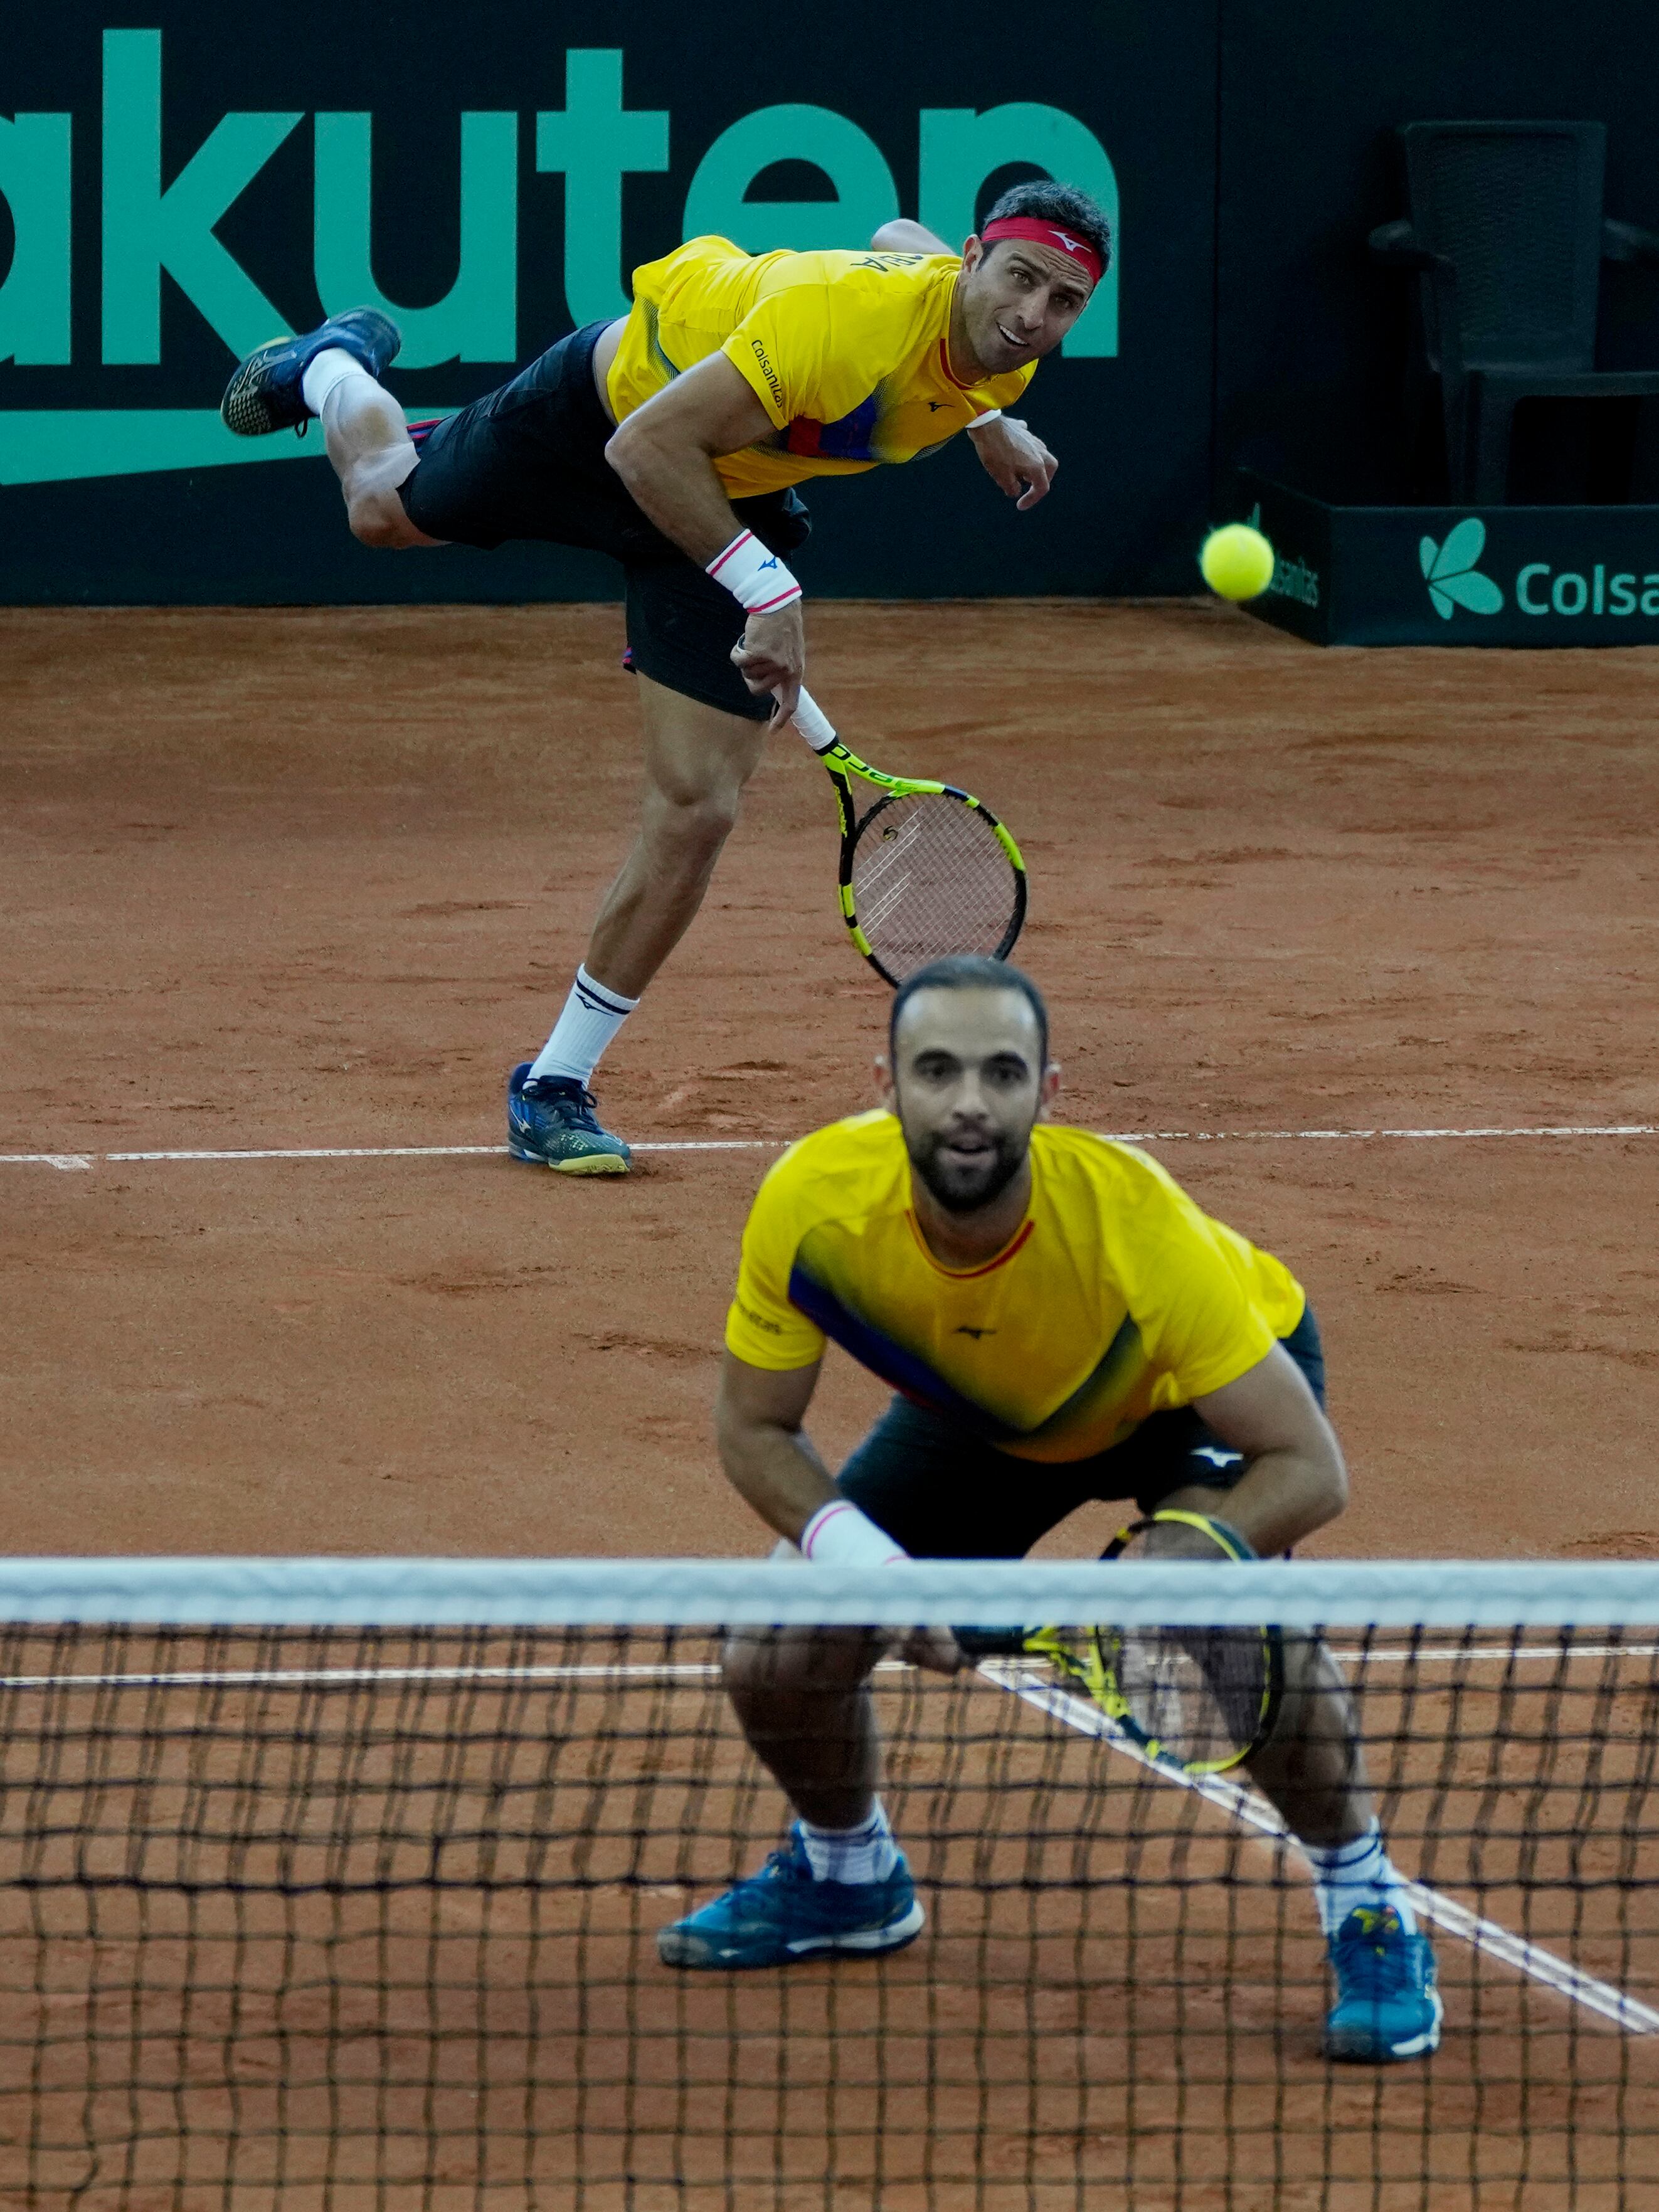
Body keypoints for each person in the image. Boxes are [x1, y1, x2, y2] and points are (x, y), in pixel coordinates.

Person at [217, 184, 1109, 1174]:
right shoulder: (847, 324)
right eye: (1017, 278)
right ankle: (335, 363)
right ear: (976, 256)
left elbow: (900, 235)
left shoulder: (995, 349)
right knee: (383, 510)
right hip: (604, 419)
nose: (1031, 316)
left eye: (1062, 301)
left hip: (714, 497)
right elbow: (643, 445)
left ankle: (553, 1084)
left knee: (698, 811)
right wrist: (765, 586)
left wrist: (984, 411)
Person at [657, 955, 1443, 2065]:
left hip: (1189, 1404)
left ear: (1048, 1092)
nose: (969, 1101)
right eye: (936, 1071)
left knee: (1226, 1623)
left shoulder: (1132, 1224)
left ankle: (1364, 1901)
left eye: (1000, 1072)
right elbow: (752, 1428)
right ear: (882, 1086)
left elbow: (1309, 1467)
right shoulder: (814, 1207)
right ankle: (847, 1878)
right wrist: (875, 1572)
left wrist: (1190, 1558)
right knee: (773, 1656)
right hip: (994, 1421)